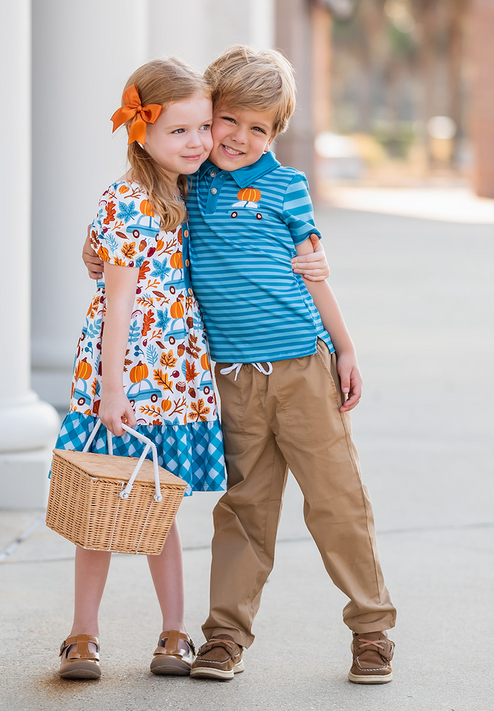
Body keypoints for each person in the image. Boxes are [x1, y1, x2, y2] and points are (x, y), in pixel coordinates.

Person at [85, 45, 396, 685]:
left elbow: (313, 273)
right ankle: (224, 638)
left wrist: (346, 346)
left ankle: (372, 631)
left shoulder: (287, 187)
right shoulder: (185, 183)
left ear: (277, 131)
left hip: (303, 367)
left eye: (260, 128)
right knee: (245, 509)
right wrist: (90, 254)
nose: (239, 138)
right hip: (232, 380)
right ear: (210, 114)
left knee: (337, 501)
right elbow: (119, 232)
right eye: (229, 121)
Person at [54, 57, 226, 681]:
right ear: (142, 132)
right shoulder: (130, 199)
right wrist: (112, 390)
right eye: (180, 130)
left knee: (159, 510)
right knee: (100, 507)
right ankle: (82, 634)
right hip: (128, 377)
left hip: (175, 377)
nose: (198, 142)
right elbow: (119, 304)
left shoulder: (189, 190)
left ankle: (175, 633)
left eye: (203, 127)